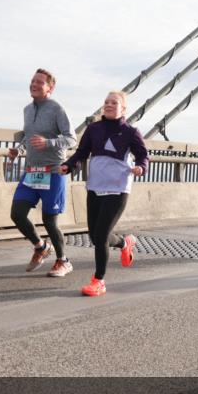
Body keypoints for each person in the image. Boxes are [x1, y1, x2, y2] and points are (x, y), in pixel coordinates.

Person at [61, 91, 149, 297]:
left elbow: (143, 155)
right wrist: (69, 165)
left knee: (100, 236)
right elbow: (81, 153)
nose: (108, 105)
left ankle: (99, 280)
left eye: (114, 103)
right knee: (95, 236)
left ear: (123, 109)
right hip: (95, 186)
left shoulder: (130, 132)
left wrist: (141, 167)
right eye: (106, 102)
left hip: (118, 189)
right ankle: (125, 243)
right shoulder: (94, 129)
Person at [8, 68, 77, 277]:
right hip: (31, 172)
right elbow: (28, 137)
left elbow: (71, 139)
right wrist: (18, 150)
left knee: (49, 222)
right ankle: (41, 247)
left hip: (52, 172)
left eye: (40, 82)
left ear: (50, 88)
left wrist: (49, 142)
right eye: (32, 81)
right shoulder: (27, 110)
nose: (34, 84)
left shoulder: (57, 109)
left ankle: (63, 261)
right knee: (17, 214)